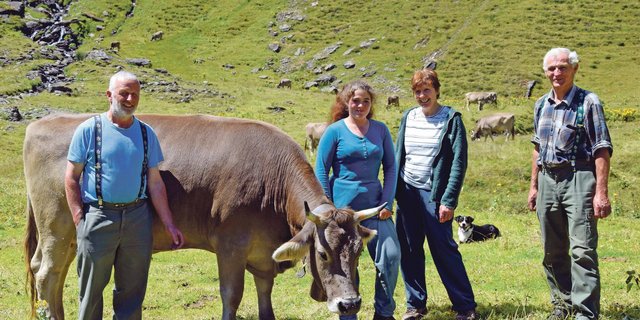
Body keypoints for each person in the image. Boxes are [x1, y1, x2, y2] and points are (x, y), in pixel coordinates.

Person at [64, 71, 185, 319]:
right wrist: (80, 217)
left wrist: (170, 224)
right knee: (91, 292)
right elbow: (71, 177)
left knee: (132, 291)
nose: (130, 99)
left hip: (137, 218)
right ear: (109, 95)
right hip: (98, 217)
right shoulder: (89, 130)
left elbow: (156, 183)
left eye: (135, 94)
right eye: (124, 93)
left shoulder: (146, 133)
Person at [528, 48, 613, 320]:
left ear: (574, 69)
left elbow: (601, 148)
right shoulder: (541, 104)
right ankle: (562, 305)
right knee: (551, 250)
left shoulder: (589, 102)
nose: (557, 73)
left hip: (579, 177)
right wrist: (534, 186)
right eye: (552, 68)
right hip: (547, 179)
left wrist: (601, 193)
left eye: (563, 67)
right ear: (545, 72)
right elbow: (537, 148)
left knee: (582, 249)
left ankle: (585, 313)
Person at [394, 69, 477, 320]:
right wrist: (393, 191)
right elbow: (400, 153)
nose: (422, 96)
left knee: (444, 249)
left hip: (434, 195)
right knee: (409, 250)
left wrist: (448, 200)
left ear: (437, 90)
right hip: (407, 192)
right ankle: (415, 305)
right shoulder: (409, 116)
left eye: (427, 90)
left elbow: (458, 162)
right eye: (417, 91)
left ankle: (465, 306)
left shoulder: (452, 119)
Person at [315, 80, 400, 320]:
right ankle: (348, 314)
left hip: (375, 210)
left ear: (371, 104)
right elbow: (321, 169)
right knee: (346, 265)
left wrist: (387, 203)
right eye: (355, 100)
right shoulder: (334, 131)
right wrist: (329, 209)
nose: (360, 105)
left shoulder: (381, 130)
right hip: (343, 216)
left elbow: (391, 168)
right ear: (346, 102)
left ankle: (384, 313)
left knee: (390, 257)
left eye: (365, 101)